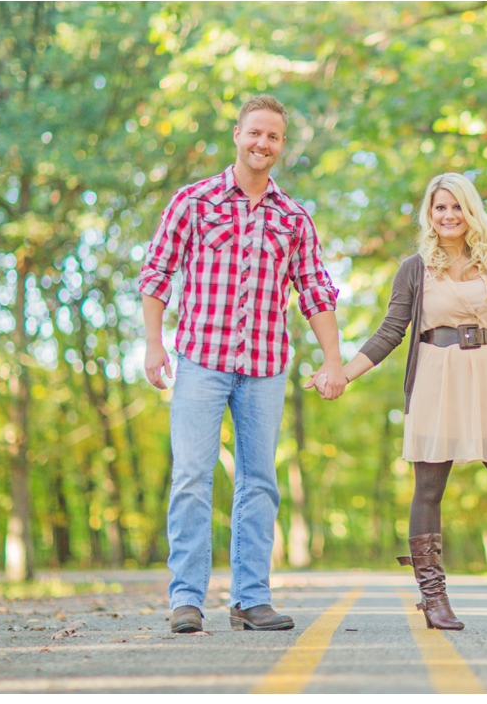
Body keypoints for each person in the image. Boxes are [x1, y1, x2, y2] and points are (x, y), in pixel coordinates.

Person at [139, 95, 347, 634]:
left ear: (282, 145)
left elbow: (316, 291)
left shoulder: (293, 217)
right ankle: (186, 599)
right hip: (201, 361)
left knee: (259, 481)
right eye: (255, 133)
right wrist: (153, 344)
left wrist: (333, 361)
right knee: (190, 475)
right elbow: (157, 273)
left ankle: (250, 599)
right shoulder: (194, 201)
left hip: (265, 366)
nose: (263, 143)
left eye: (273, 137)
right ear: (237, 134)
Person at [333, 172, 487, 632]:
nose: (449, 215)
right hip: (436, 380)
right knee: (429, 490)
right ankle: (434, 599)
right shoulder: (415, 268)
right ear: (429, 214)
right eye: (440, 207)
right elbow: (390, 333)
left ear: (470, 210)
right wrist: (342, 372)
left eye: (456, 206)